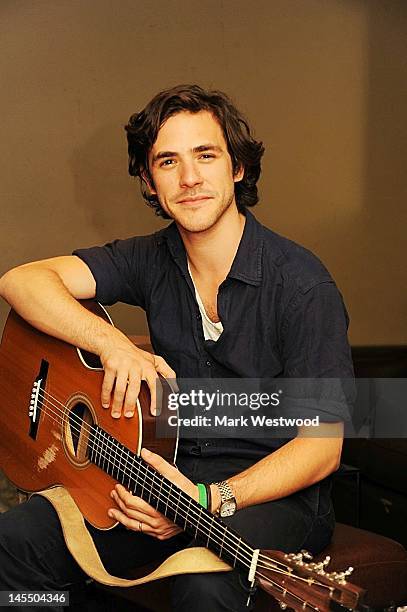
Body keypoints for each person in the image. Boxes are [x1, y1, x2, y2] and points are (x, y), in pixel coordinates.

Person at [0, 84, 353, 611]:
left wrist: (205, 502)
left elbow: (322, 448)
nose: (189, 178)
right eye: (168, 161)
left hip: (269, 493)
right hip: (163, 475)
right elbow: (22, 281)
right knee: (19, 538)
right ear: (149, 180)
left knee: (203, 584)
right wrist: (112, 343)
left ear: (237, 167)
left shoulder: (302, 286)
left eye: (205, 155)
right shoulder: (151, 258)